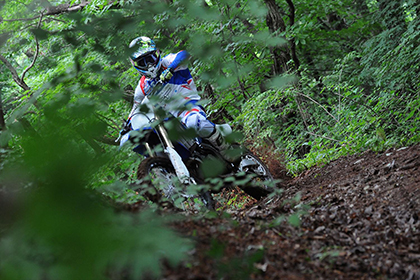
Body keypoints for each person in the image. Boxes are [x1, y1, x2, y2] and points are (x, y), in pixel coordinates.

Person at [123, 36, 228, 151]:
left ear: (157, 53)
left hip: (188, 106)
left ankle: (226, 149)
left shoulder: (168, 62)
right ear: (136, 65)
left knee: (195, 123)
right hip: (169, 119)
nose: (149, 65)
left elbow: (184, 54)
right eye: (142, 62)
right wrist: (127, 126)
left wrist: (170, 69)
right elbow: (136, 107)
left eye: (150, 58)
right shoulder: (143, 85)